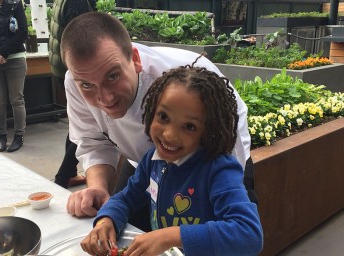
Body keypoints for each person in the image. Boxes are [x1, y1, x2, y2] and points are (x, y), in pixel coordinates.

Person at [61, 12, 254, 222]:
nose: (105, 98)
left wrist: (173, 236)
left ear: (134, 59)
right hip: (145, 165)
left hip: (207, 162)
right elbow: (92, 141)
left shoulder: (182, 84)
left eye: (113, 76)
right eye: (87, 85)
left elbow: (241, 229)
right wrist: (97, 188)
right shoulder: (77, 78)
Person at [80, 62, 263, 256]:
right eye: (163, 117)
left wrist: (170, 236)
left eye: (189, 127)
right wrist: (107, 219)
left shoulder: (220, 169)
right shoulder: (152, 160)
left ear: (208, 131)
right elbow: (125, 199)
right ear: (151, 112)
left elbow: (249, 234)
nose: (169, 135)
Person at [49, 0, 96, 188]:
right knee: (86, 126)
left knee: (77, 124)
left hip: (63, 68)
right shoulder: (78, 2)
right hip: (79, 72)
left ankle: (68, 173)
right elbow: (82, 40)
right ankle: (62, 179)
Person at [0, 0, 27, 152]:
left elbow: (23, 32)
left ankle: (19, 136)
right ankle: (1, 135)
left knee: (16, 99)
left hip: (16, 58)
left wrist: (3, 52)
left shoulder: (15, 4)